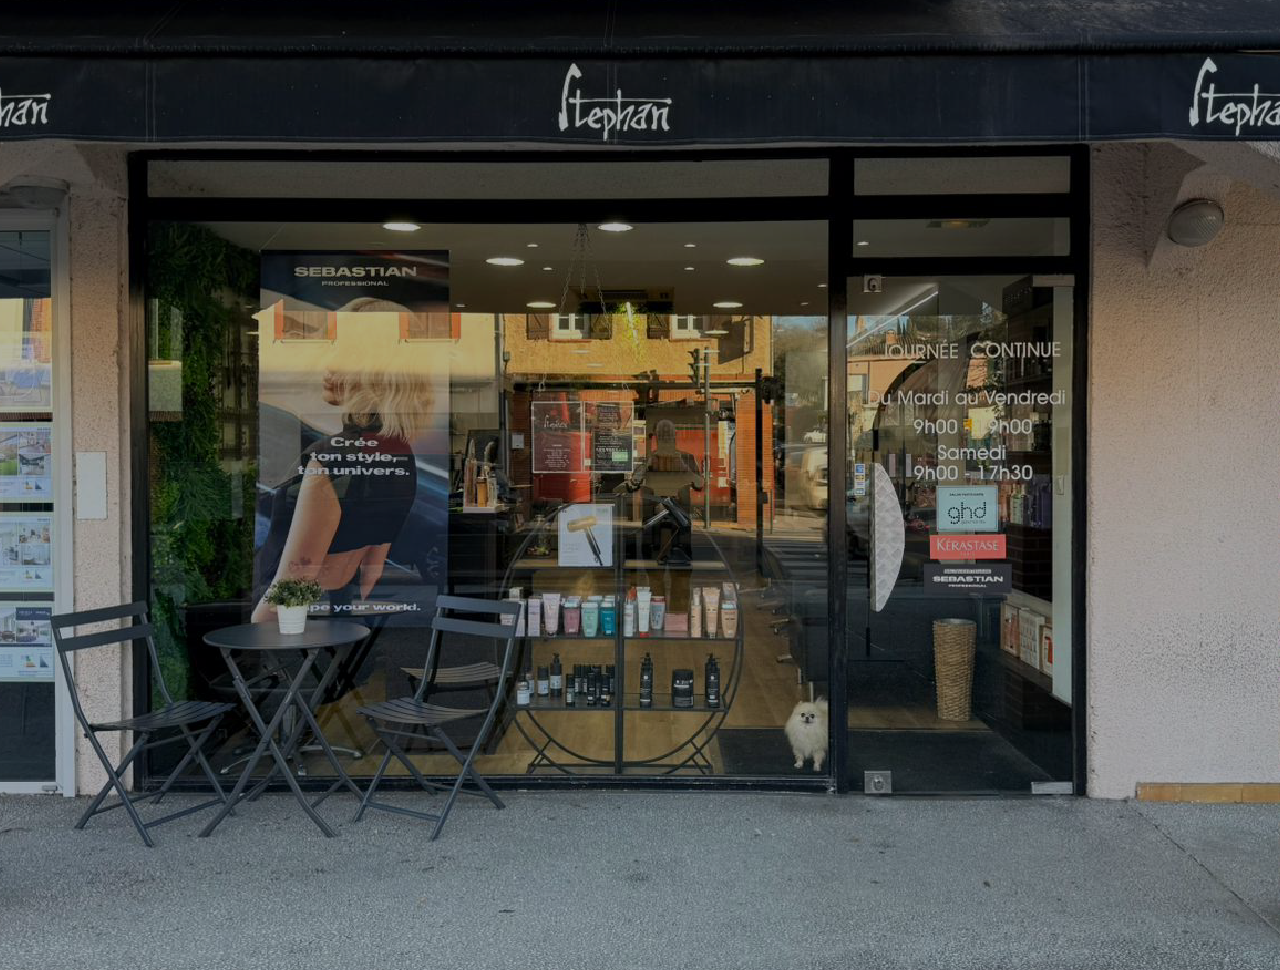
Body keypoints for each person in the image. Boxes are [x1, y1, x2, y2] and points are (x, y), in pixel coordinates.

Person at [251, 339, 434, 624]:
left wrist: (255, 628)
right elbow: (373, 563)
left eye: (342, 360)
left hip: (283, 606)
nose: (328, 368)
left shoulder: (331, 456)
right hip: (331, 602)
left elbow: (299, 572)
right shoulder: (398, 451)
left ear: (371, 377)